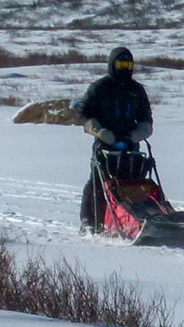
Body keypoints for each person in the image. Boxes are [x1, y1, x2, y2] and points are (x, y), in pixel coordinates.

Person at [77, 46, 153, 233]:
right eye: (121, 64)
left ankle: (135, 221)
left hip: (130, 144)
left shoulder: (136, 90)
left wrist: (138, 133)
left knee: (135, 184)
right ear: (112, 64)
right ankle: (89, 222)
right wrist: (100, 131)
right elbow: (83, 113)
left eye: (128, 64)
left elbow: (146, 119)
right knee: (98, 182)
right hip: (105, 143)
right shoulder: (100, 88)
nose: (124, 68)